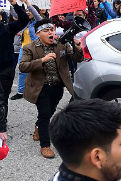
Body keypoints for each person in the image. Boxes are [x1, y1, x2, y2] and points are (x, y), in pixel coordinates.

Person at [18, 19, 84, 158]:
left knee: (50, 111)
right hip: (40, 88)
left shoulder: (61, 44)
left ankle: (38, 127)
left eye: (51, 30)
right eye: (46, 31)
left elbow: (77, 59)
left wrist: (77, 47)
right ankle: (45, 145)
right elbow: (23, 66)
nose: (50, 33)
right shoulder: (30, 47)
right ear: (38, 33)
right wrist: (42, 60)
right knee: (44, 114)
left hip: (58, 86)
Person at [0, 0, 30, 143]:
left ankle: (2, 126)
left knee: (3, 98)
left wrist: (15, 4)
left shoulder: (8, 29)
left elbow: (25, 20)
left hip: (5, 70)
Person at [10, 0, 43, 101]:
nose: (28, 12)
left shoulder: (39, 22)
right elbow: (15, 14)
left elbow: (36, 15)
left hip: (36, 50)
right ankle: (20, 92)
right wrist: (12, 3)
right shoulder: (25, 23)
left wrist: (27, 3)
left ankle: (38, 92)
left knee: (37, 71)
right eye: (27, 11)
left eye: (30, 11)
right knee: (22, 70)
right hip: (24, 50)